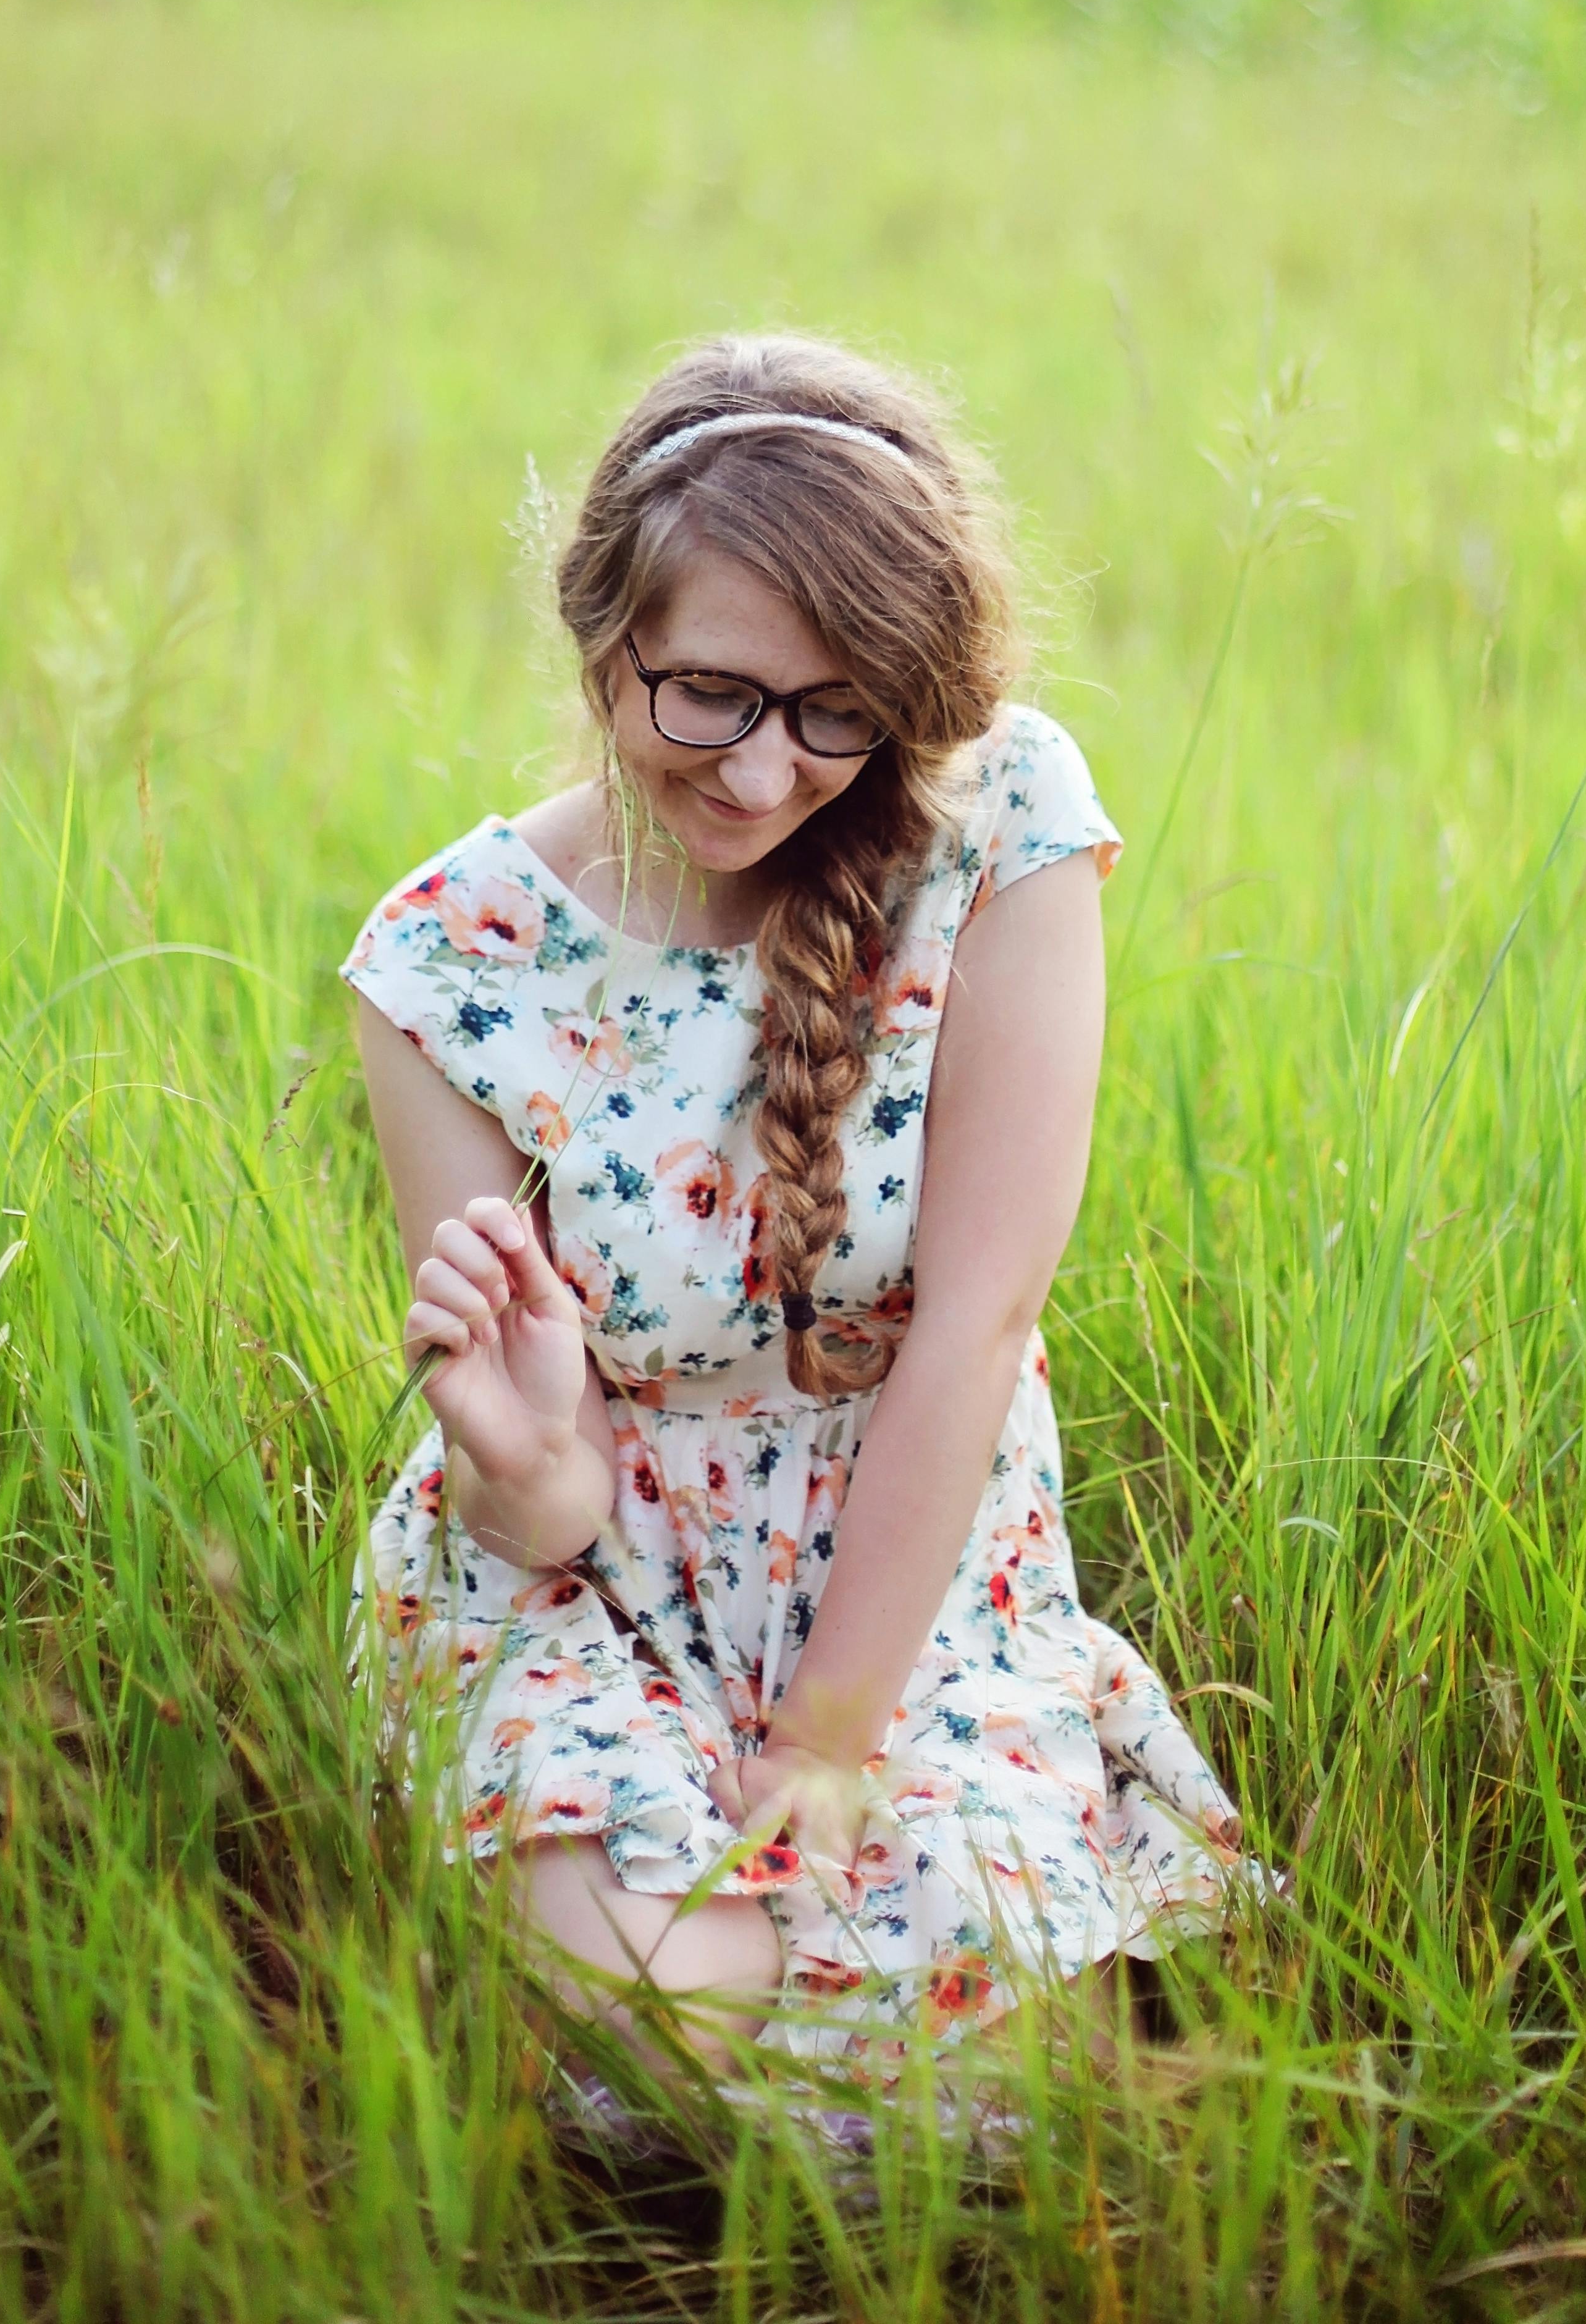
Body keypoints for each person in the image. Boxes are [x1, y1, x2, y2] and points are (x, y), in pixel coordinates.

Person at [344, 335, 1244, 2084]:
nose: (767, 774)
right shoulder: (450, 961)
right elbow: (540, 1500)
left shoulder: (998, 823)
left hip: (913, 1551)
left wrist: (833, 1738)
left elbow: (976, 1321)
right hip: (586, 1587)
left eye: (839, 713)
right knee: (692, 2017)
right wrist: (522, 1464)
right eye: (712, 694)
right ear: (601, 631)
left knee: (979, 2060)